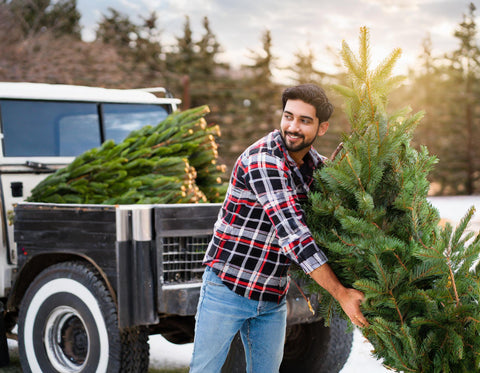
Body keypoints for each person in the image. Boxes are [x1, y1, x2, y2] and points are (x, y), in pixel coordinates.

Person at [189, 83, 368, 373]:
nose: (293, 127)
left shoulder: (315, 167)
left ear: (322, 128)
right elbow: (295, 236)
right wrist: (341, 294)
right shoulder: (264, 160)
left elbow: (335, 210)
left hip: (271, 296)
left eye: (304, 120)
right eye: (288, 116)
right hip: (227, 288)